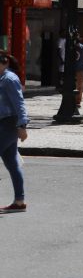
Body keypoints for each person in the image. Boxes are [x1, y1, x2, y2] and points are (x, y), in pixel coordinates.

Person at [0, 50, 29, 211]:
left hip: (8, 124)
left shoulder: (9, 79)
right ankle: (19, 201)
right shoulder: (2, 78)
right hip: (5, 123)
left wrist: (22, 125)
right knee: (12, 163)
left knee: (12, 163)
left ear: (5, 63)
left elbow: (19, 103)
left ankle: (19, 200)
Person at [71, 35, 83, 115]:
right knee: (79, 86)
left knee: (75, 85)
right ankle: (77, 101)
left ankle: (75, 101)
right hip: (79, 69)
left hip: (75, 69)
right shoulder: (82, 47)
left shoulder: (77, 47)